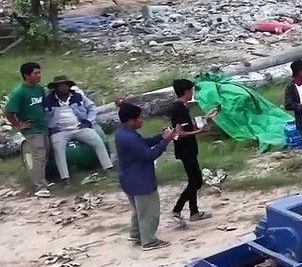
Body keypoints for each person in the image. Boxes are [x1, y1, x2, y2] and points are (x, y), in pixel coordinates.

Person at [114, 101, 176, 250]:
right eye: (139, 118)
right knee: (149, 212)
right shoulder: (129, 137)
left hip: (128, 178)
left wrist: (160, 136)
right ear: (130, 120)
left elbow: (143, 143)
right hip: (140, 179)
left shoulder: (123, 132)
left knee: (138, 211)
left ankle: (136, 236)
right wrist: (165, 141)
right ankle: (149, 241)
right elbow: (149, 155)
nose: (142, 120)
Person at [43, 75, 113, 184]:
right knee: (58, 149)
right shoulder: (48, 100)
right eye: (61, 85)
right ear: (55, 87)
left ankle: (108, 168)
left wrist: (88, 121)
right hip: (60, 131)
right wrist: (49, 128)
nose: (64, 88)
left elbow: (92, 107)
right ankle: (65, 179)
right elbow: (42, 116)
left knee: (97, 140)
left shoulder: (78, 96)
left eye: (66, 85)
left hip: (79, 127)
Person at [4, 62, 51, 197]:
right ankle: (40, 187)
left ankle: (42, 180)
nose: (39, 76)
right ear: (26, 75)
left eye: (39, 73)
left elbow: (42, 106)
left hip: (42, 126)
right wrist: (18, 125)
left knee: (45, 154)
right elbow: (8, 111)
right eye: (36, 73)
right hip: (31, 129)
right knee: (39, 156)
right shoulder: (19, 92)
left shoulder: (39, 89)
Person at [169, 78, 211, 227]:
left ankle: (194, 212)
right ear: (187, 91)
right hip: (185, 149)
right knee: (196, 181)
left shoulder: (183, 107)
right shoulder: (178, 108)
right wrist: (198, 131)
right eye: (191, 90)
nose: (192, 92)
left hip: (189, 149)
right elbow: (179, 132)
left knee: (194, 180)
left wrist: (203, 121)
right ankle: (177, 209)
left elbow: (186, 125)